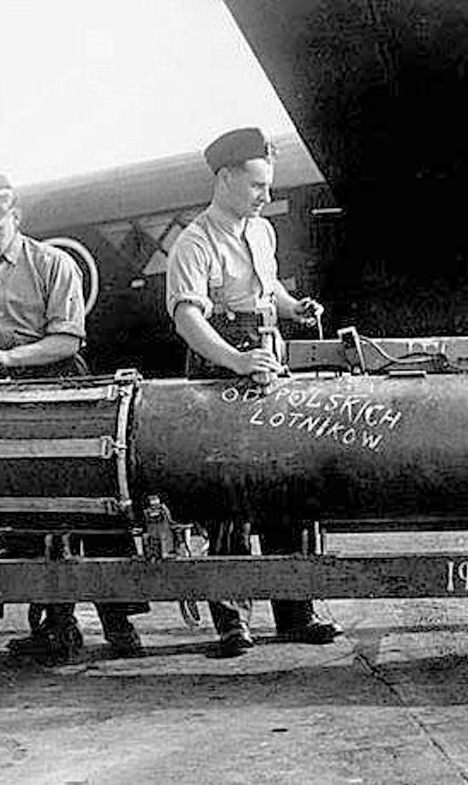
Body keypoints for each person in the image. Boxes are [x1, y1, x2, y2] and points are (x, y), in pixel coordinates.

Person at [0, 172, 146, 663]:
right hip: (1, 397)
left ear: (14, 216)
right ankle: (54, 627)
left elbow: (68, 339)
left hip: (61, 389)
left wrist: (11, 358)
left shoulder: (52, 265)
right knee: (26, 507)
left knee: (91, 505)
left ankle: (118, 621)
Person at [165, 127, 342, 657]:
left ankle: (295, 613)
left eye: (267, 186)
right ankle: (232, 623)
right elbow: (188, 319)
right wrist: (237, 360)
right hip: (223, 362)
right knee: (225, 494)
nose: (265, 195)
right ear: (224, 179)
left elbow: (270, 289)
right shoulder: (194, 242)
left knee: (287, 479)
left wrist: (294, 308)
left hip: (268, 352)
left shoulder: (260, 230)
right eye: (256, 186)